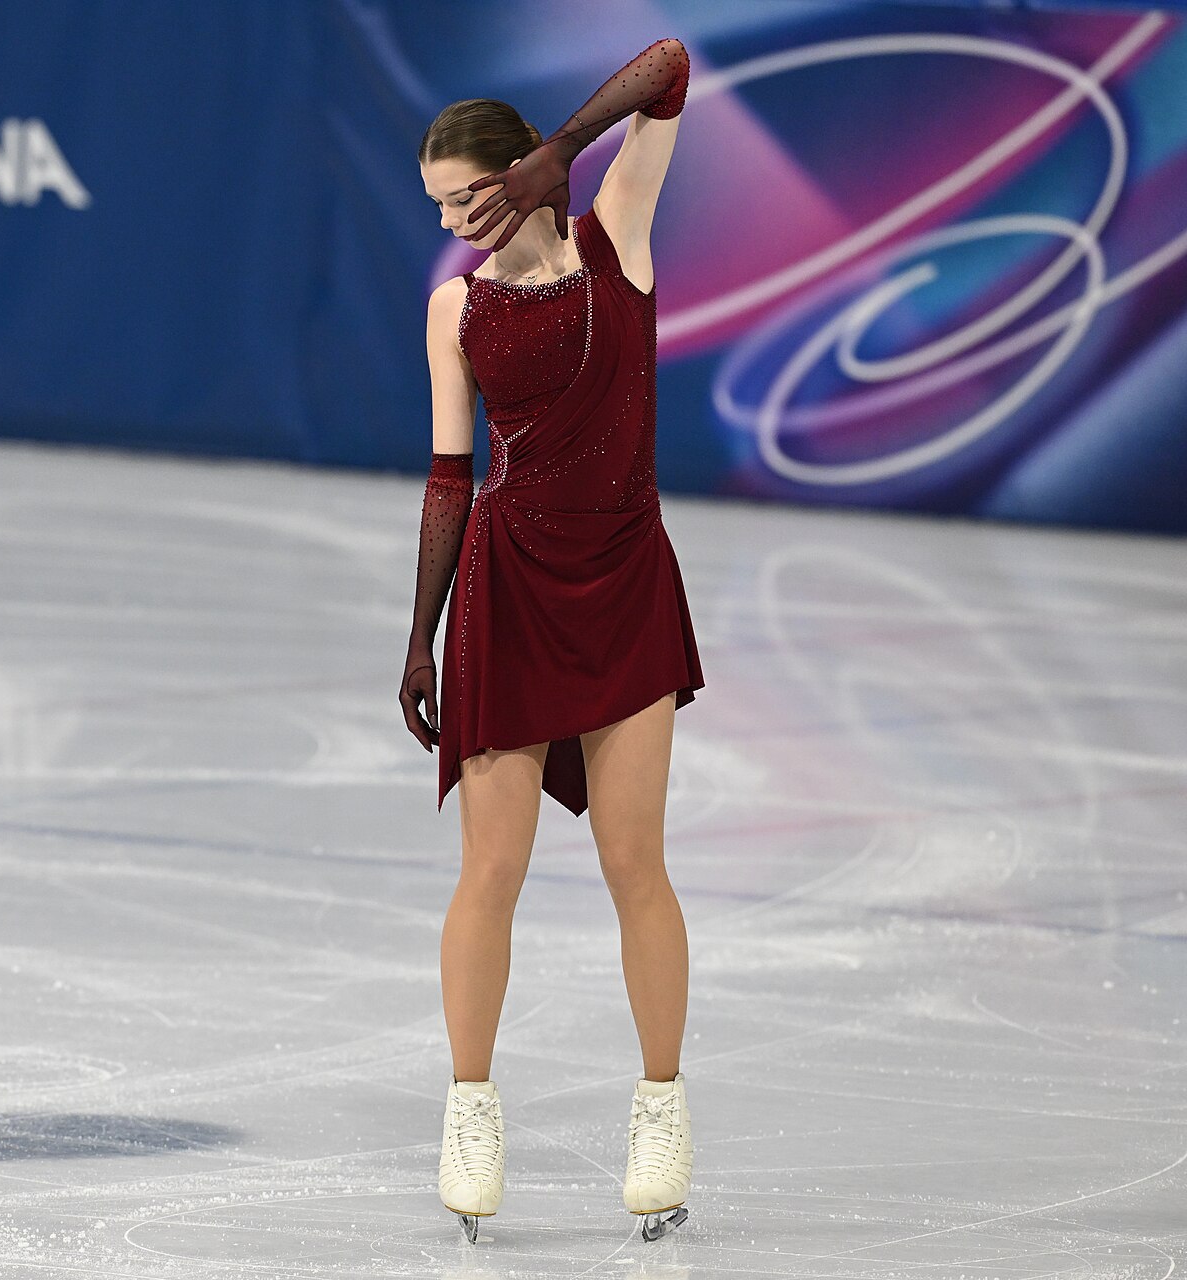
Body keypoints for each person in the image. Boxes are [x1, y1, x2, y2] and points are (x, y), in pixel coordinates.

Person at [402, 36, 705, 1244]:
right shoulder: (453, 309)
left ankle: (662, 1107)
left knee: (637, 863)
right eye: (437, 205)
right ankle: (470, 1105)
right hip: (508, 585)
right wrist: (418, 637)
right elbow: (445, 477)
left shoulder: (617, 232)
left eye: (465, 192)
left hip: (624, 576)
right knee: (493, 868)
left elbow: (672, 66)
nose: (456, 219)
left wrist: (563, 155)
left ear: (512, 168)